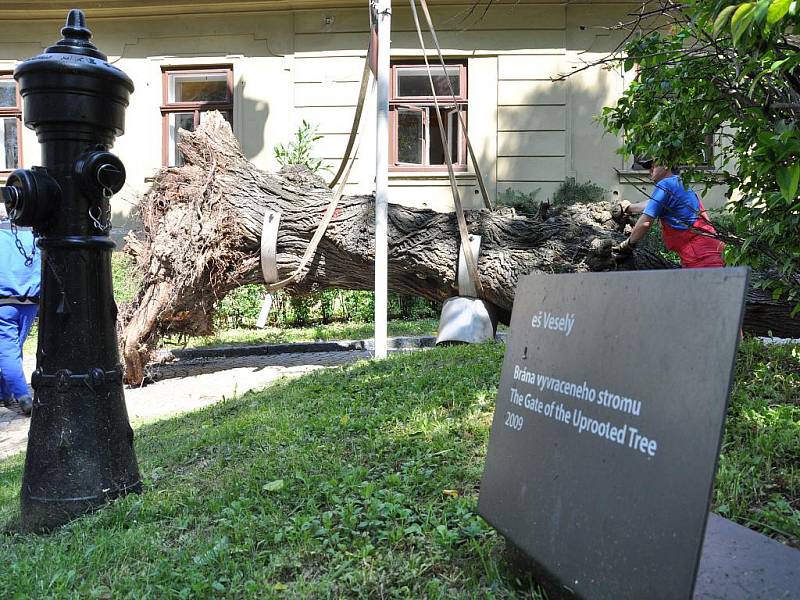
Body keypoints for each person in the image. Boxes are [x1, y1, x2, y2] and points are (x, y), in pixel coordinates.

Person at [612, 160, 725, 268]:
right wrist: (629, 207)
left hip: (702, 257)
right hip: (707, 251)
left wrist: (628, 244)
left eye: (654, 166)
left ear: (666, 165)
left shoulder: (666, 184)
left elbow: (645, 222)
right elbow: (653, 204)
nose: (650, 170)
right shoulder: (677, 183)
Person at [0, 206, 40, 416]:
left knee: (7, 349)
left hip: (3, 301)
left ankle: (22, 396)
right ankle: (4, 393)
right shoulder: (33, 235)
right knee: (13, 347)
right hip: (30, 300)